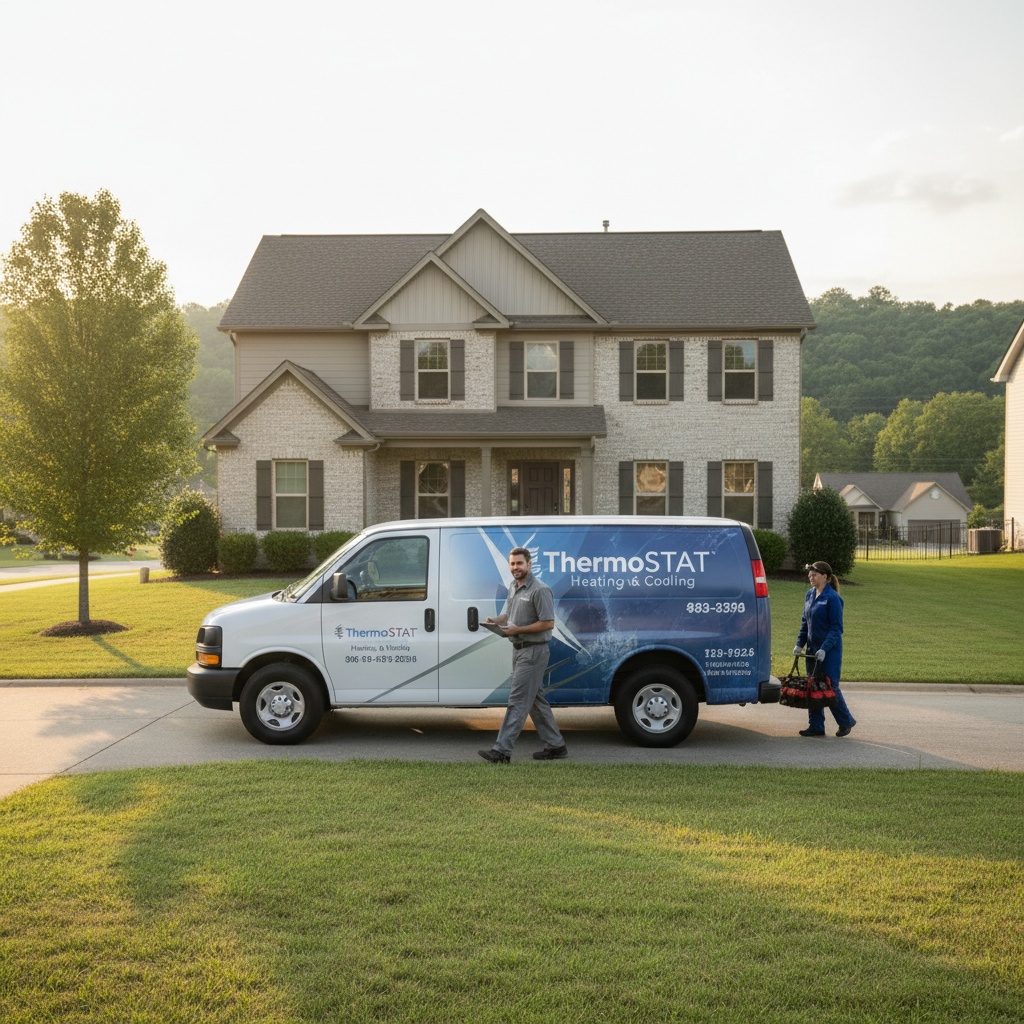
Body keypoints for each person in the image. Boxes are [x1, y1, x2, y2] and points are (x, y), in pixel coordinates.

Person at [478, 547, 568, 763]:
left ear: (529, 564)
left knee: (517, 701)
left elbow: (548, 623)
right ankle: (556, 746)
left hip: (534, 652)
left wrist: (518, 630)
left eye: (519, 563)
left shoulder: (540, 590)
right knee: (535, 700)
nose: (515, 567)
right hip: (519, 650)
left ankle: (501, 751)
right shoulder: (513, 586)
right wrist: (495, 621)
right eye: (512, 564)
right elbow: (510, 615)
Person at [793, 560, 857, 738]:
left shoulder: (833, 598)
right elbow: (805, 623)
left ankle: (846, 721)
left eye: (814, 575)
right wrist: (799, 644)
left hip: (829, 652)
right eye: (810, 575)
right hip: (812, 650)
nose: (811, 577)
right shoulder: (809, 594)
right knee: (813, 687)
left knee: (830, 687)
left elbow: (836, 628)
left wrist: (824, 649)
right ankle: (816, 726)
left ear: (825, 577)